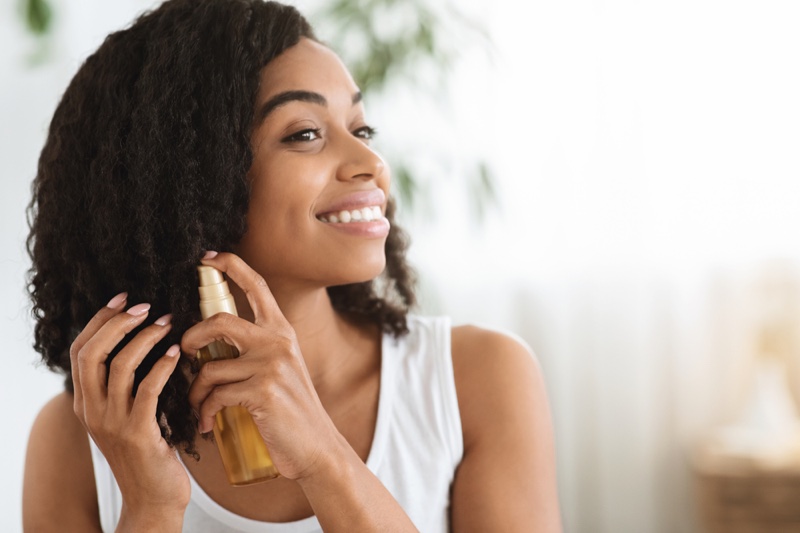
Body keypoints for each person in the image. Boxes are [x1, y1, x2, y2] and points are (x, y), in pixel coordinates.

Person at [21, 1, 562, 531]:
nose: (370, 163)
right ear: (187, 185)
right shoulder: (78, 442)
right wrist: (151, 509)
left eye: (361, 129)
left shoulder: (476, 379)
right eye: (305, 134)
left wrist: (323, 457)